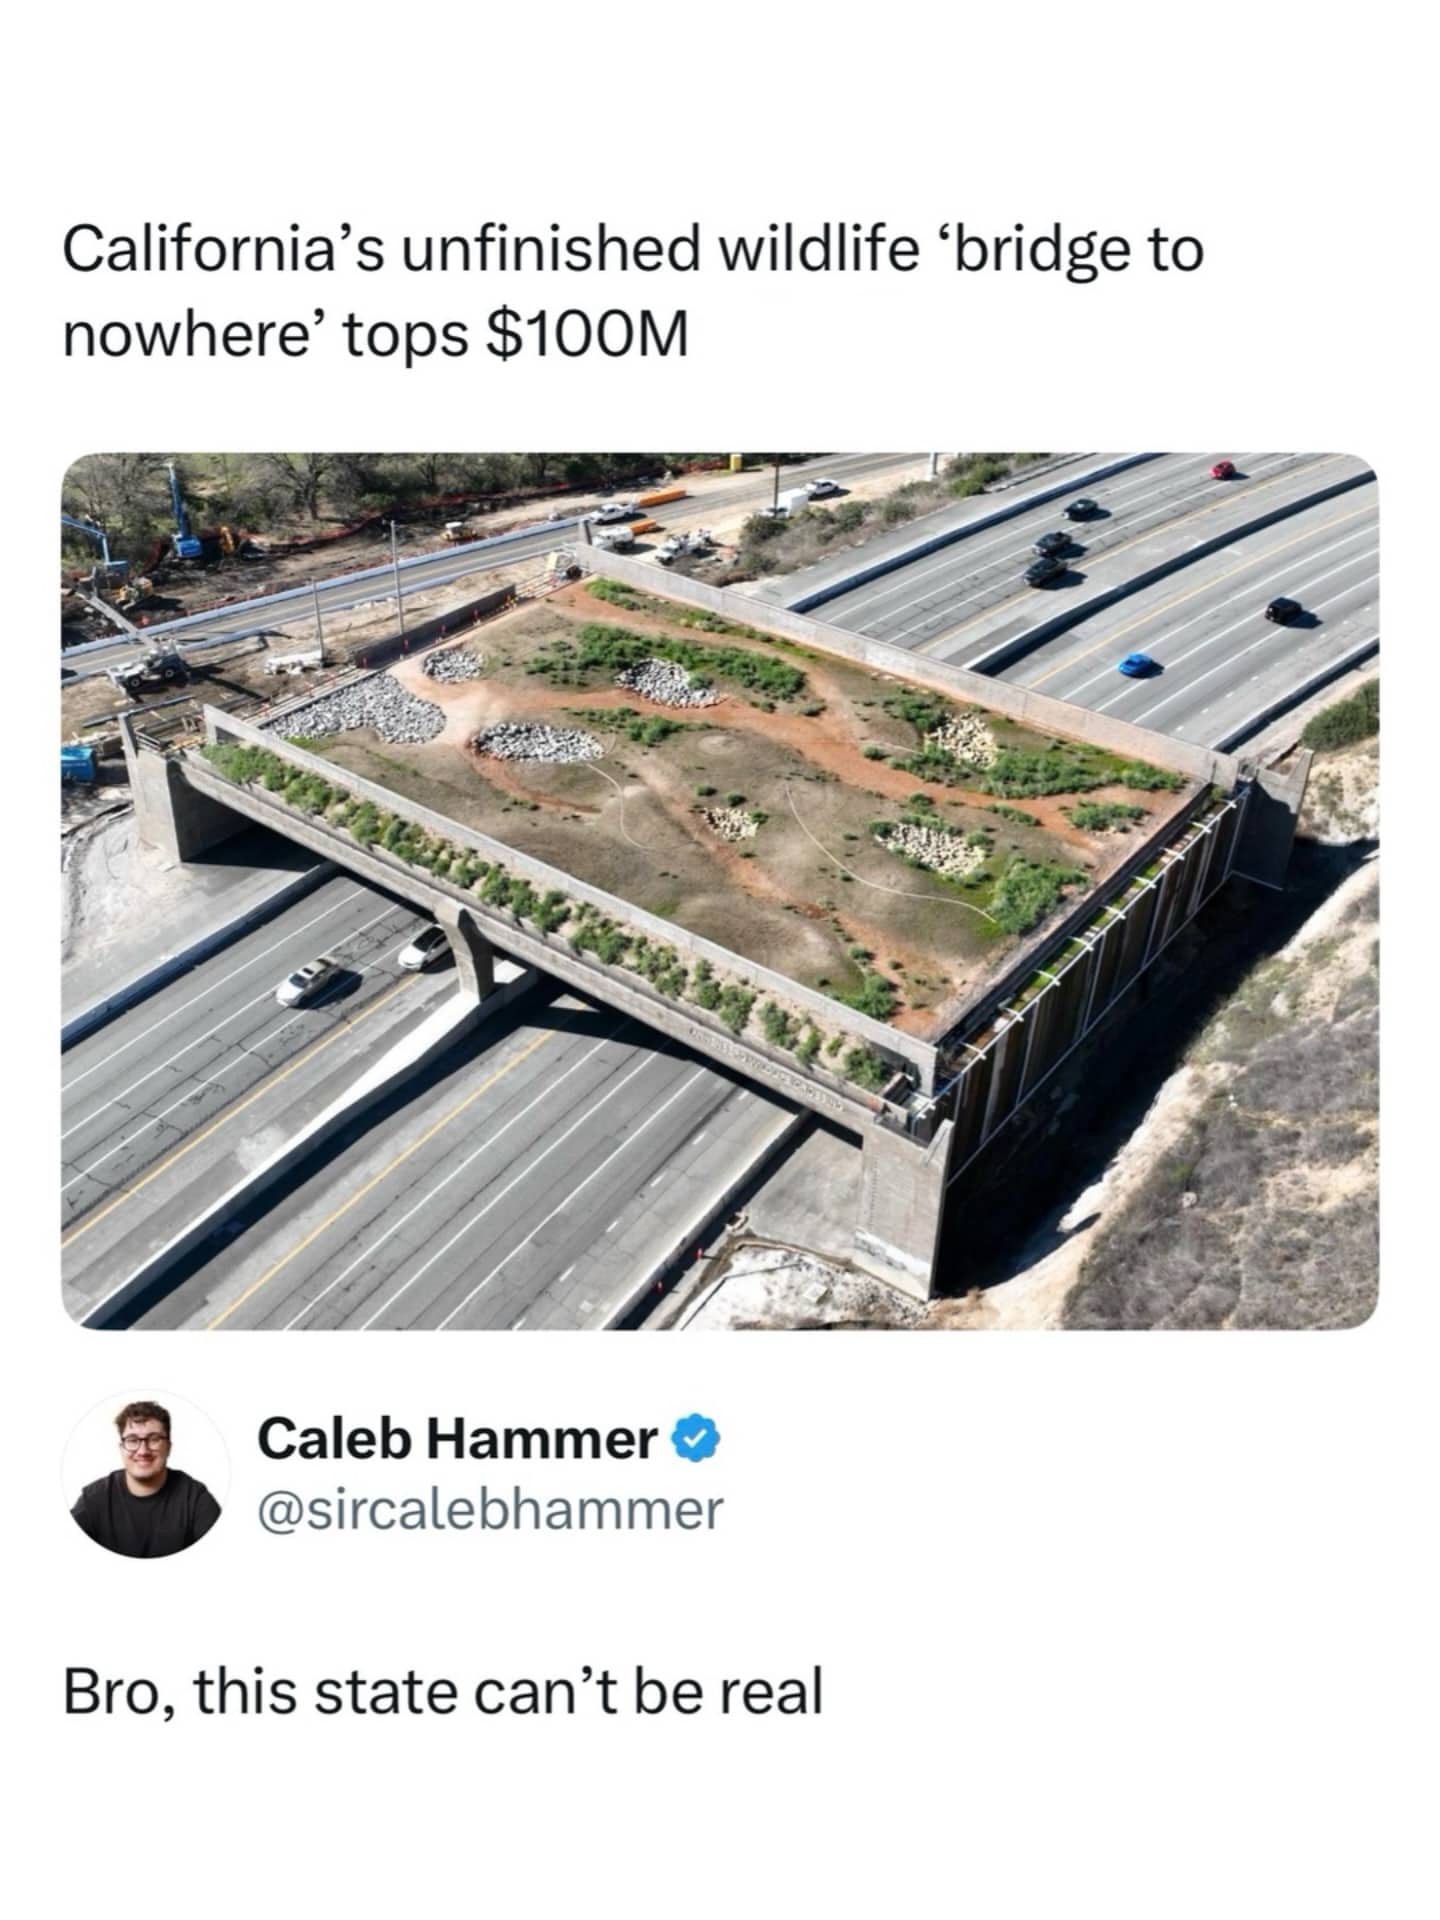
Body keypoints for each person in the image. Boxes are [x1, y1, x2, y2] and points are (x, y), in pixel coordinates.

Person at [71, 1401, 221, 1559]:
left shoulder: (195, 1499)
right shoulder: (93, 1499)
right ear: (121, 1448)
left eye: (154, 1439)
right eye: (132, 1440)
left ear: (168, 1447)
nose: (143, 1451)